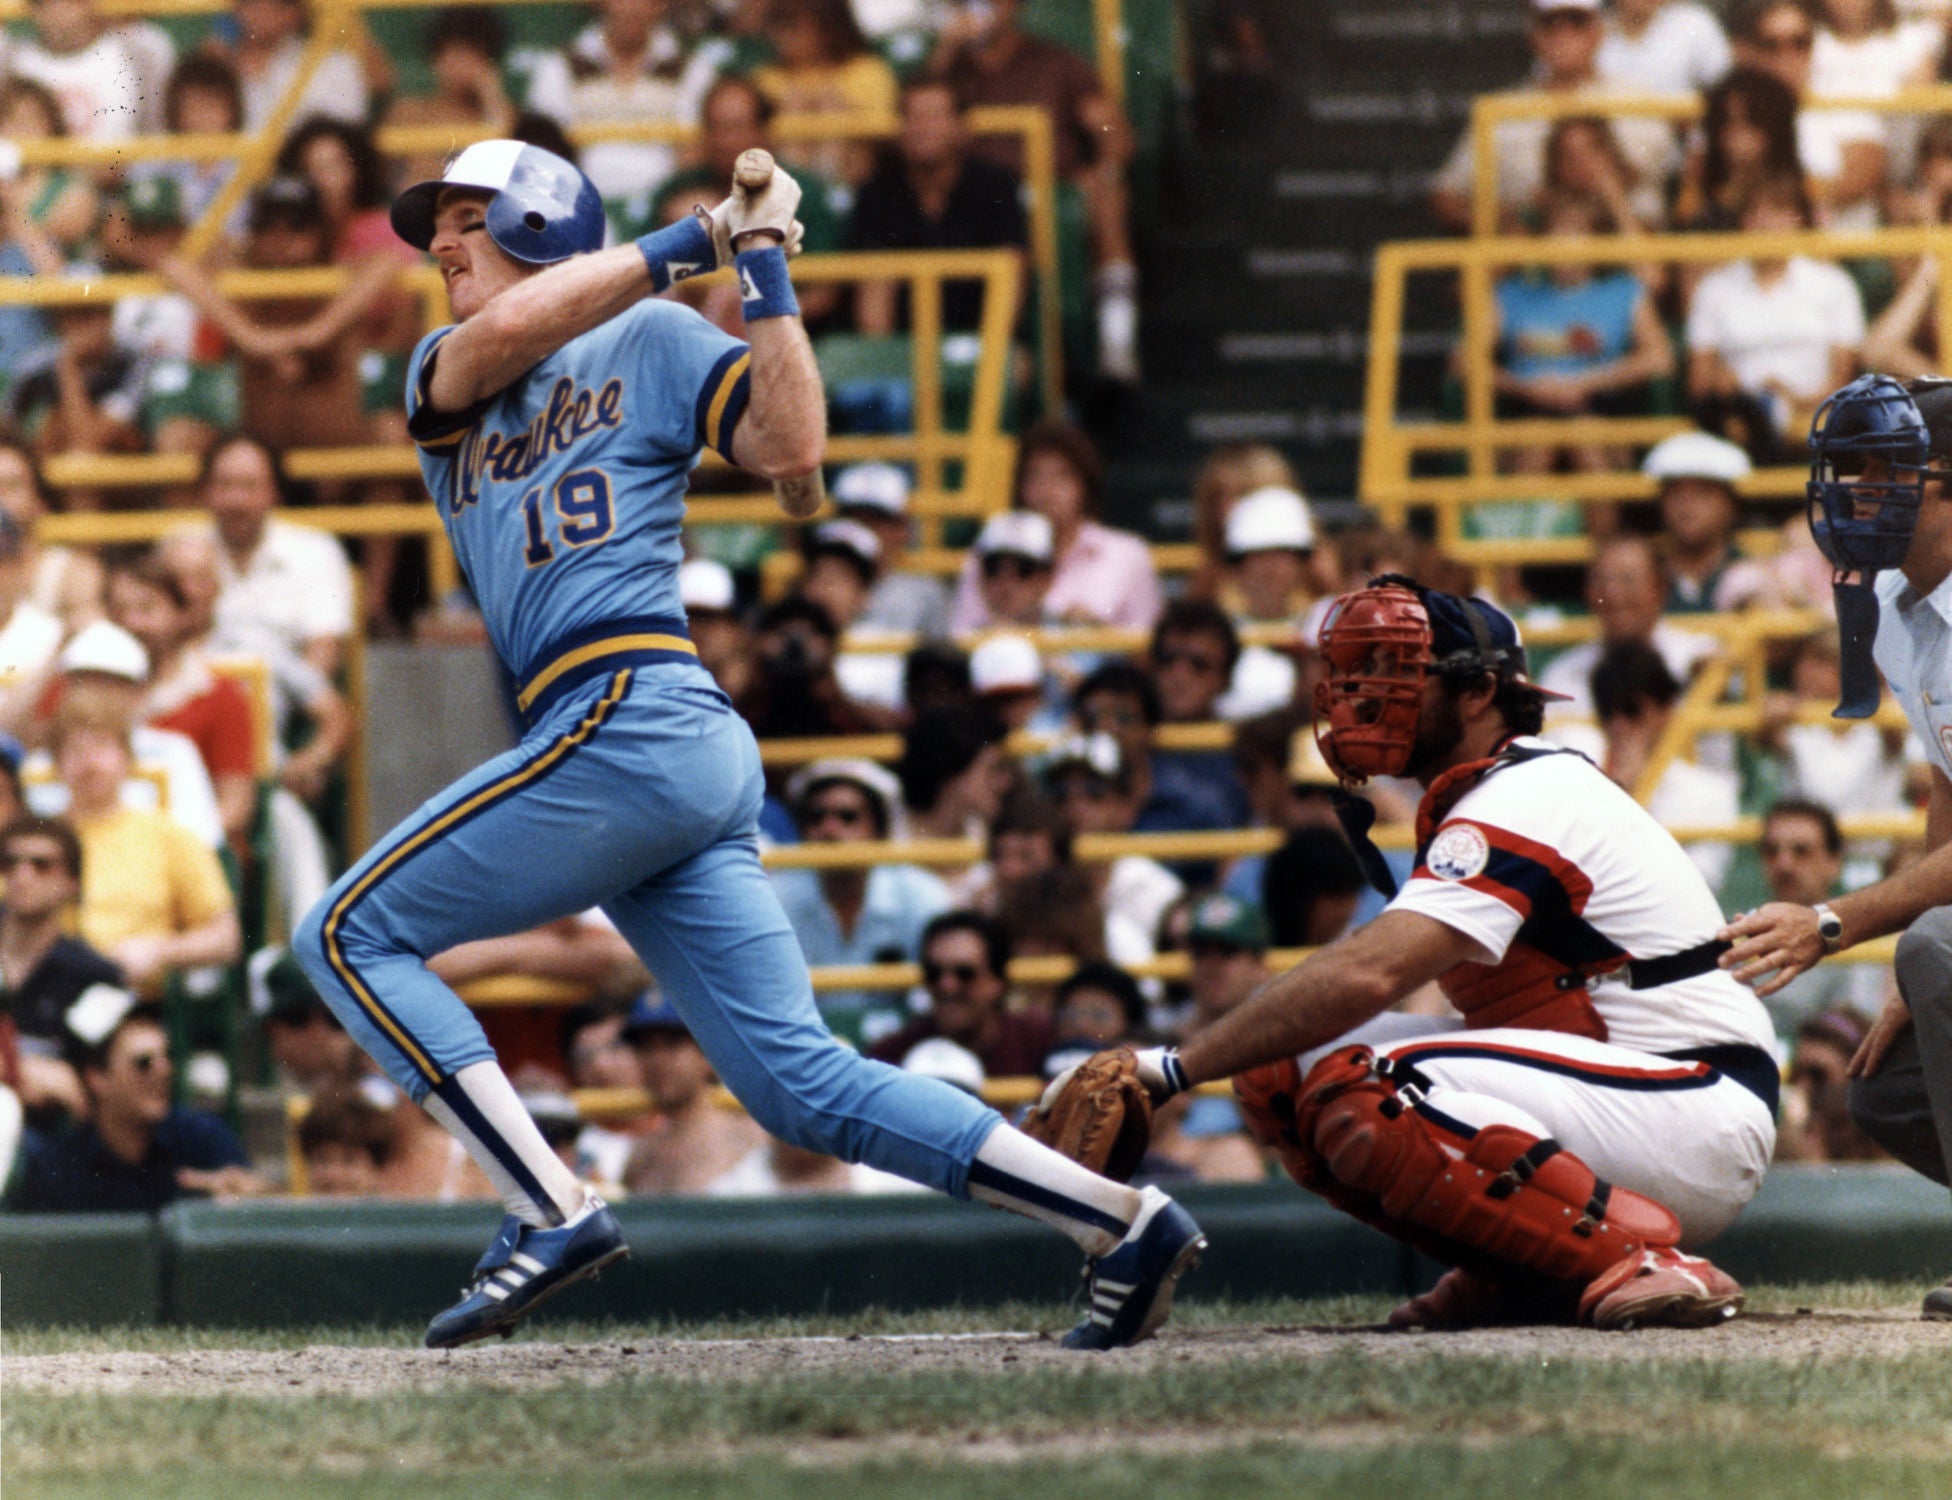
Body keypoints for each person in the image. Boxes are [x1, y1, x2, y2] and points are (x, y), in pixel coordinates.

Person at [293, 139, 1203, 1350]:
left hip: (633, 706)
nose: (440, 245)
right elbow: (496, 345)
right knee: (798, 1087)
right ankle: (1118, 1221)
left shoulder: (660, 340)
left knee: (345, 932)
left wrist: (763, 269)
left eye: (465, 218)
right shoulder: (445, 372)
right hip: (638, 740)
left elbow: (789, 447)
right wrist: (700, 238)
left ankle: (547, 1204)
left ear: (541, 221)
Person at [1058, 574, 1777, 1331]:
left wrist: (1172, 1068)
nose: (1363, 695)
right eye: (1359, 672)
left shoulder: (1529, 791)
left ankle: (1647, 1259)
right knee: (1277, 1072)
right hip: (1619, 1094)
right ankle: (1521, 1270)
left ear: (1477, 694)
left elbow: (1373, 969)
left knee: (1374, 1084)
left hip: (1693, 1099)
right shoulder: (1482, 793)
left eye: (1399, 673)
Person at [1719, 374, 1952, 1320]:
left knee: (1930, 949)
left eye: (1887, 471)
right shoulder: (1898, 604)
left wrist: (1833, 921)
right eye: (1850, 469)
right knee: (1888, 1090)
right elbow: (1950, 779)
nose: (1859, 491)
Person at [9, 985, 266, 1212]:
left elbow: (264, 1208)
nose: (164, 1071)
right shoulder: (57, 1170)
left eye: (167, 1056)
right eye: (144, 1062)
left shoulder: (205, 1140)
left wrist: (250, 1200)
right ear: (97, 1076)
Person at [848, 76, 1028, 337]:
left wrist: (993, 351)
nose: (921, 128)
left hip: (982, 336)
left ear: (961, 127)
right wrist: (883, 358)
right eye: (912, 117)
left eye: (933, 117)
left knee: (1017, 366)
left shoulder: (996, 186)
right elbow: (875, 289)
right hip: (903, 342)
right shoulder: (877, 191)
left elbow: (1012, 274)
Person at [951, 422, 1162, 632]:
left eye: (1062, 476)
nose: (1047, 491)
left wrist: (1094, 634)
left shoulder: (1128, 555)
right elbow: (963, 633)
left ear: (1086, 485)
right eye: (1034, 476)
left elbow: (1147, 647)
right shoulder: (987, 552)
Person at [0, 816, 121, 1122]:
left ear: (72, 883)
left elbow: (83, 1093)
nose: (22, 875)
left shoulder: (96, 976)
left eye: (41, 865)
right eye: (10, 863)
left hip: (45, 1137)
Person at [870, 910, 1053, 1077]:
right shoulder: (892, 1057)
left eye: (965, 974)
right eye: (934, 973)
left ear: (998, 981)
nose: (947, 986)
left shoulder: (1041, 1045)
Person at [618, 993, 767, 1195]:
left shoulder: (749, 1138)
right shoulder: (641, 1156)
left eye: (672, 1044)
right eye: (645, 1047)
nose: (657, 1059)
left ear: (707, 1053)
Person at [1641, 430, 1755, 611]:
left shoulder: (1754, 577)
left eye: (1703, 493)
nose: (1687, 505)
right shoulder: (1645, 578)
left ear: (1730, 504)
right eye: (1675, 492)